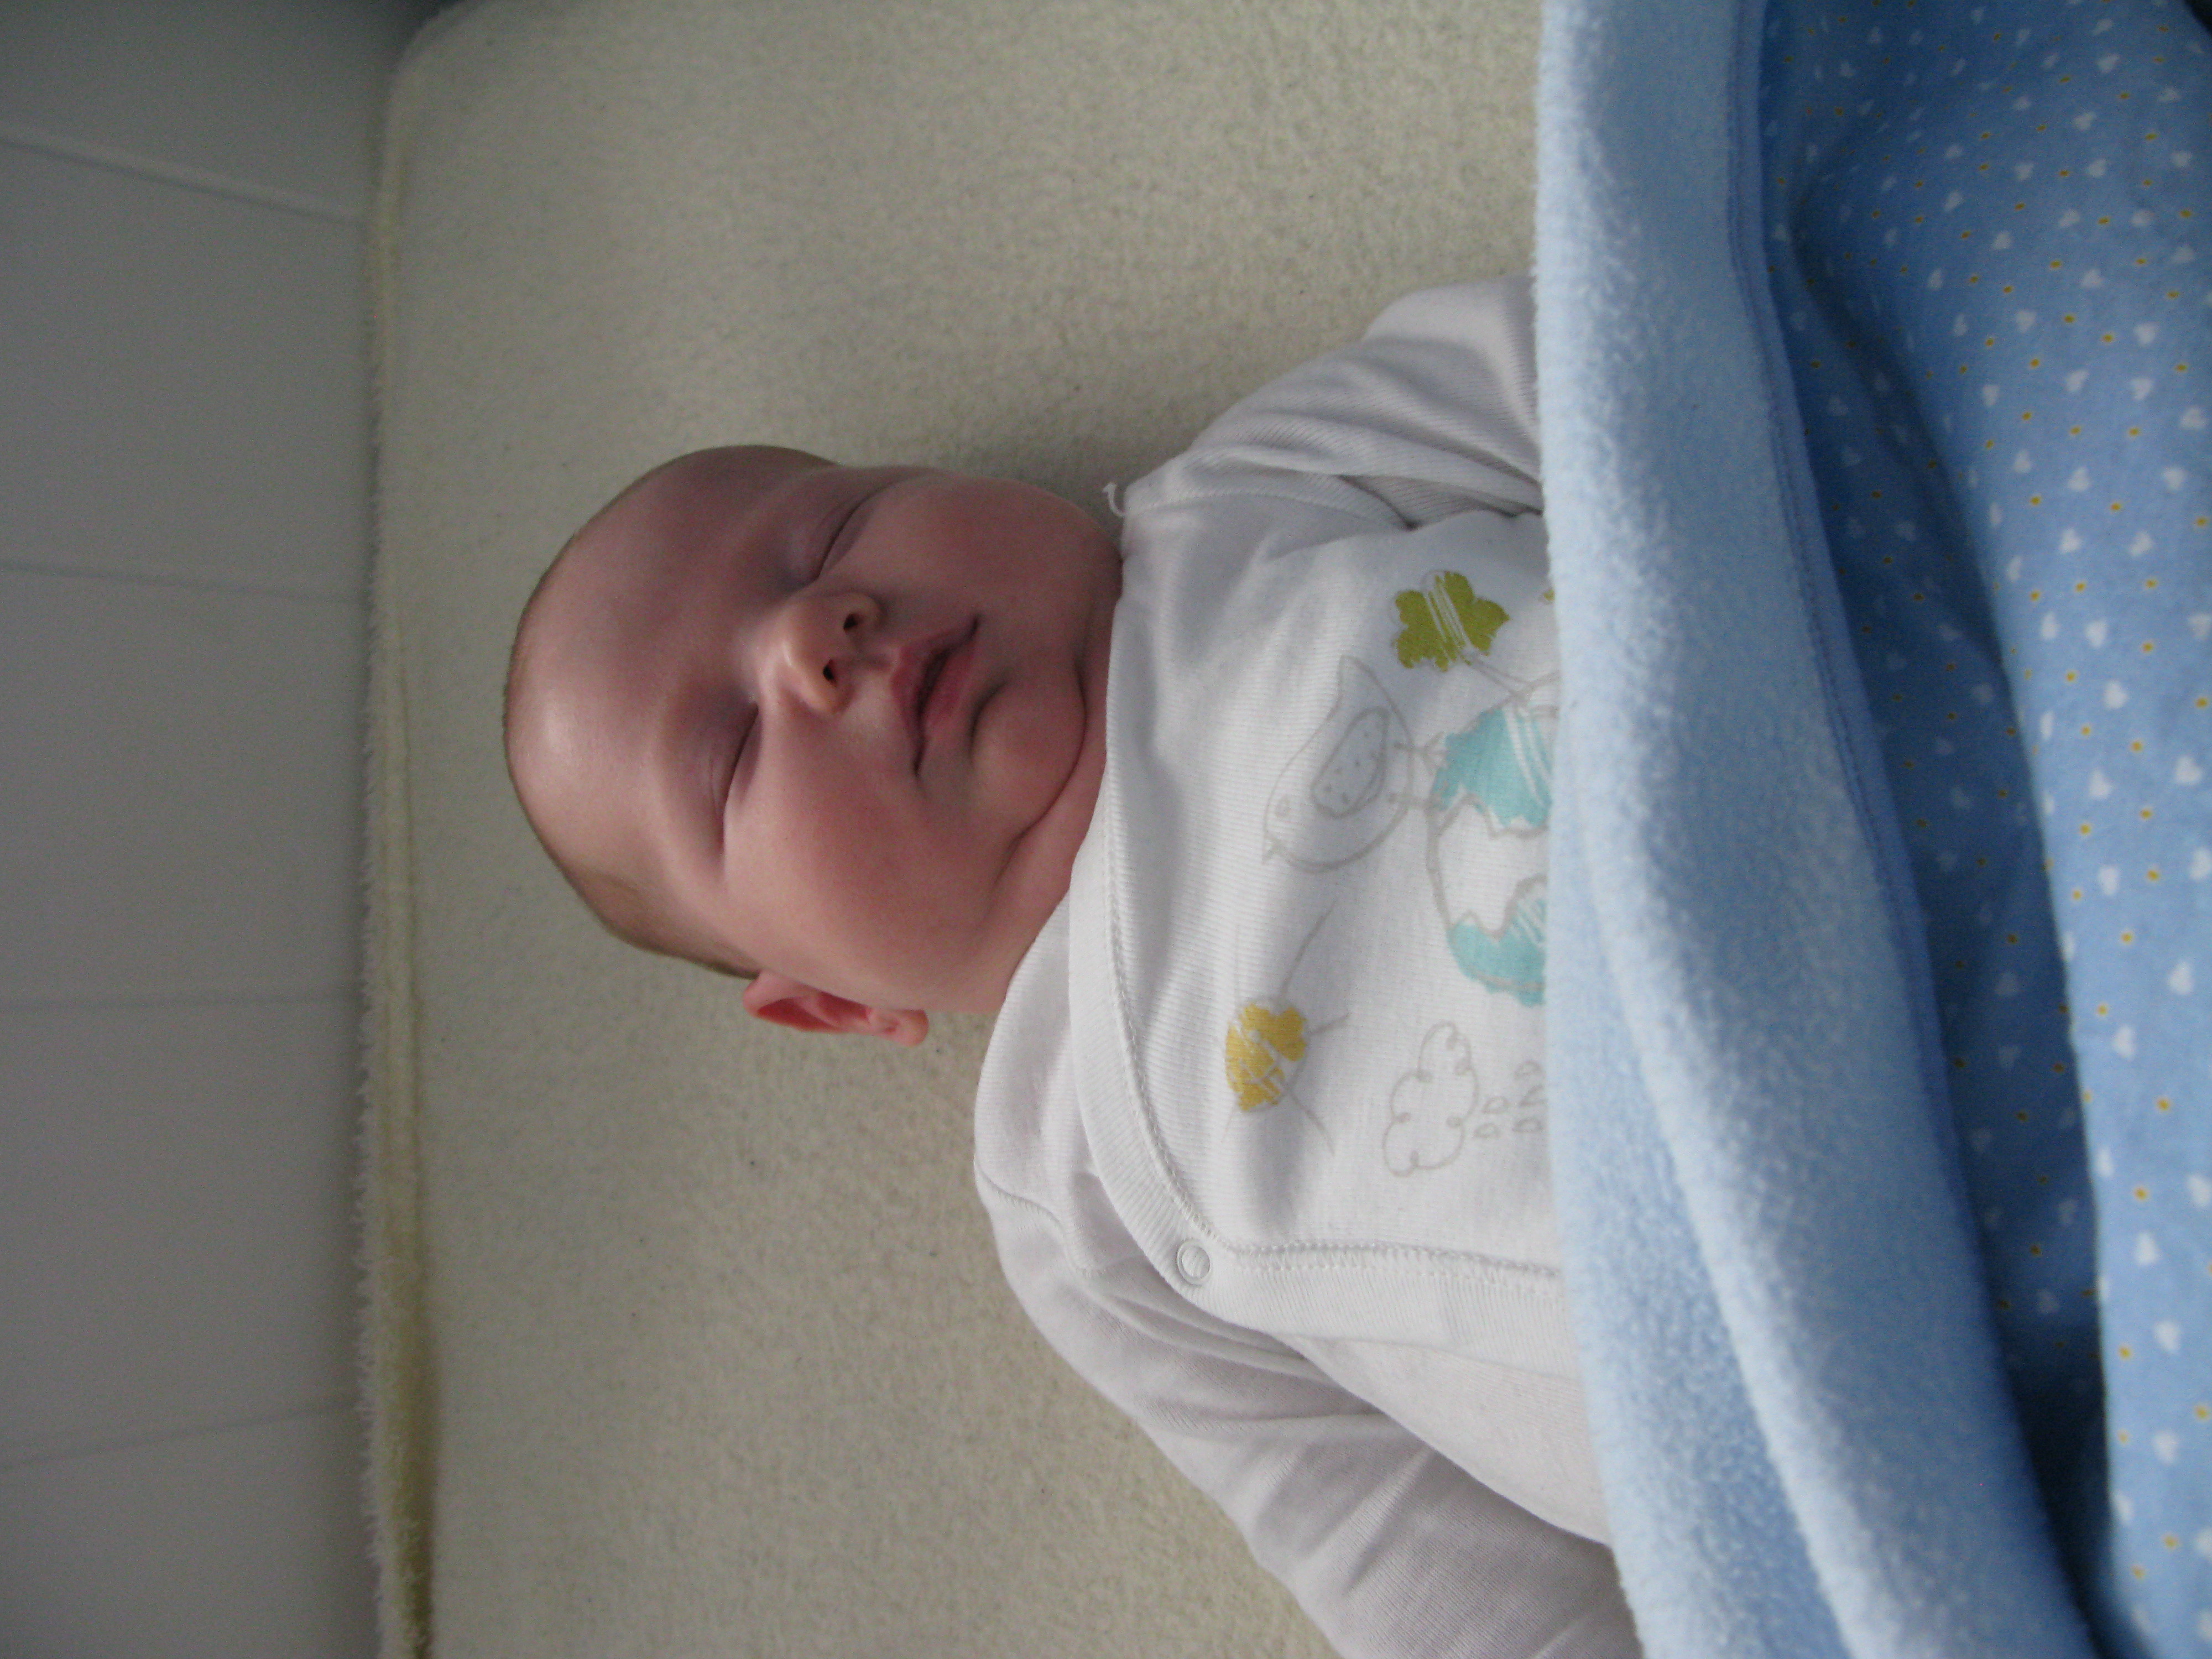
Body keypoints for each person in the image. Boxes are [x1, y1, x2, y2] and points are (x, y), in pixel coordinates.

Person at [503, 274, 1641, 1658]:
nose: (813, 634)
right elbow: (1378, 1534)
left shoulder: (1255, 497)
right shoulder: (1071, 1194)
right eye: (728, 752)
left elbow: (1627, 348)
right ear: (837, 1004)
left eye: (826, 536)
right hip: (1795, 1383)